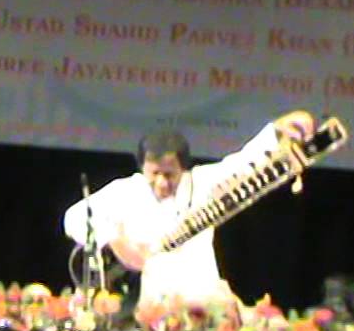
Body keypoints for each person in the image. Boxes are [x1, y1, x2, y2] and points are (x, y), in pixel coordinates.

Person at [63, 110, 317, 306]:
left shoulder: (203, 183)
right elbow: (73, 217)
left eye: (169, 174)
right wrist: (116, 241)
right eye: (154, 174)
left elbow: (244, 163)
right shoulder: (127, 190)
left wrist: (277, 130)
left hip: (197, 303)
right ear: (142, 167)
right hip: (143, 306)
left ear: (183, 168)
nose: (162, 182)